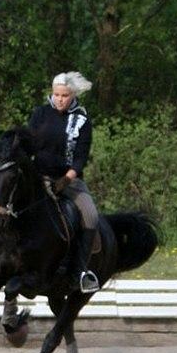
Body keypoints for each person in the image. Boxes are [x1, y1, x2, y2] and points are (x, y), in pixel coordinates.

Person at [28, 71, 100, 293]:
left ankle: (80, 272)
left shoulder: (82, 120)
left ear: (73, 95)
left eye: (64, 95)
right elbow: (27, 143)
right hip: (38, 178)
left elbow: (80, 158)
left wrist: (65, 180)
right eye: (56, 94)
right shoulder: (40, 114)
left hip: (68, 181)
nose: (59, 99)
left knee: (90, 215)